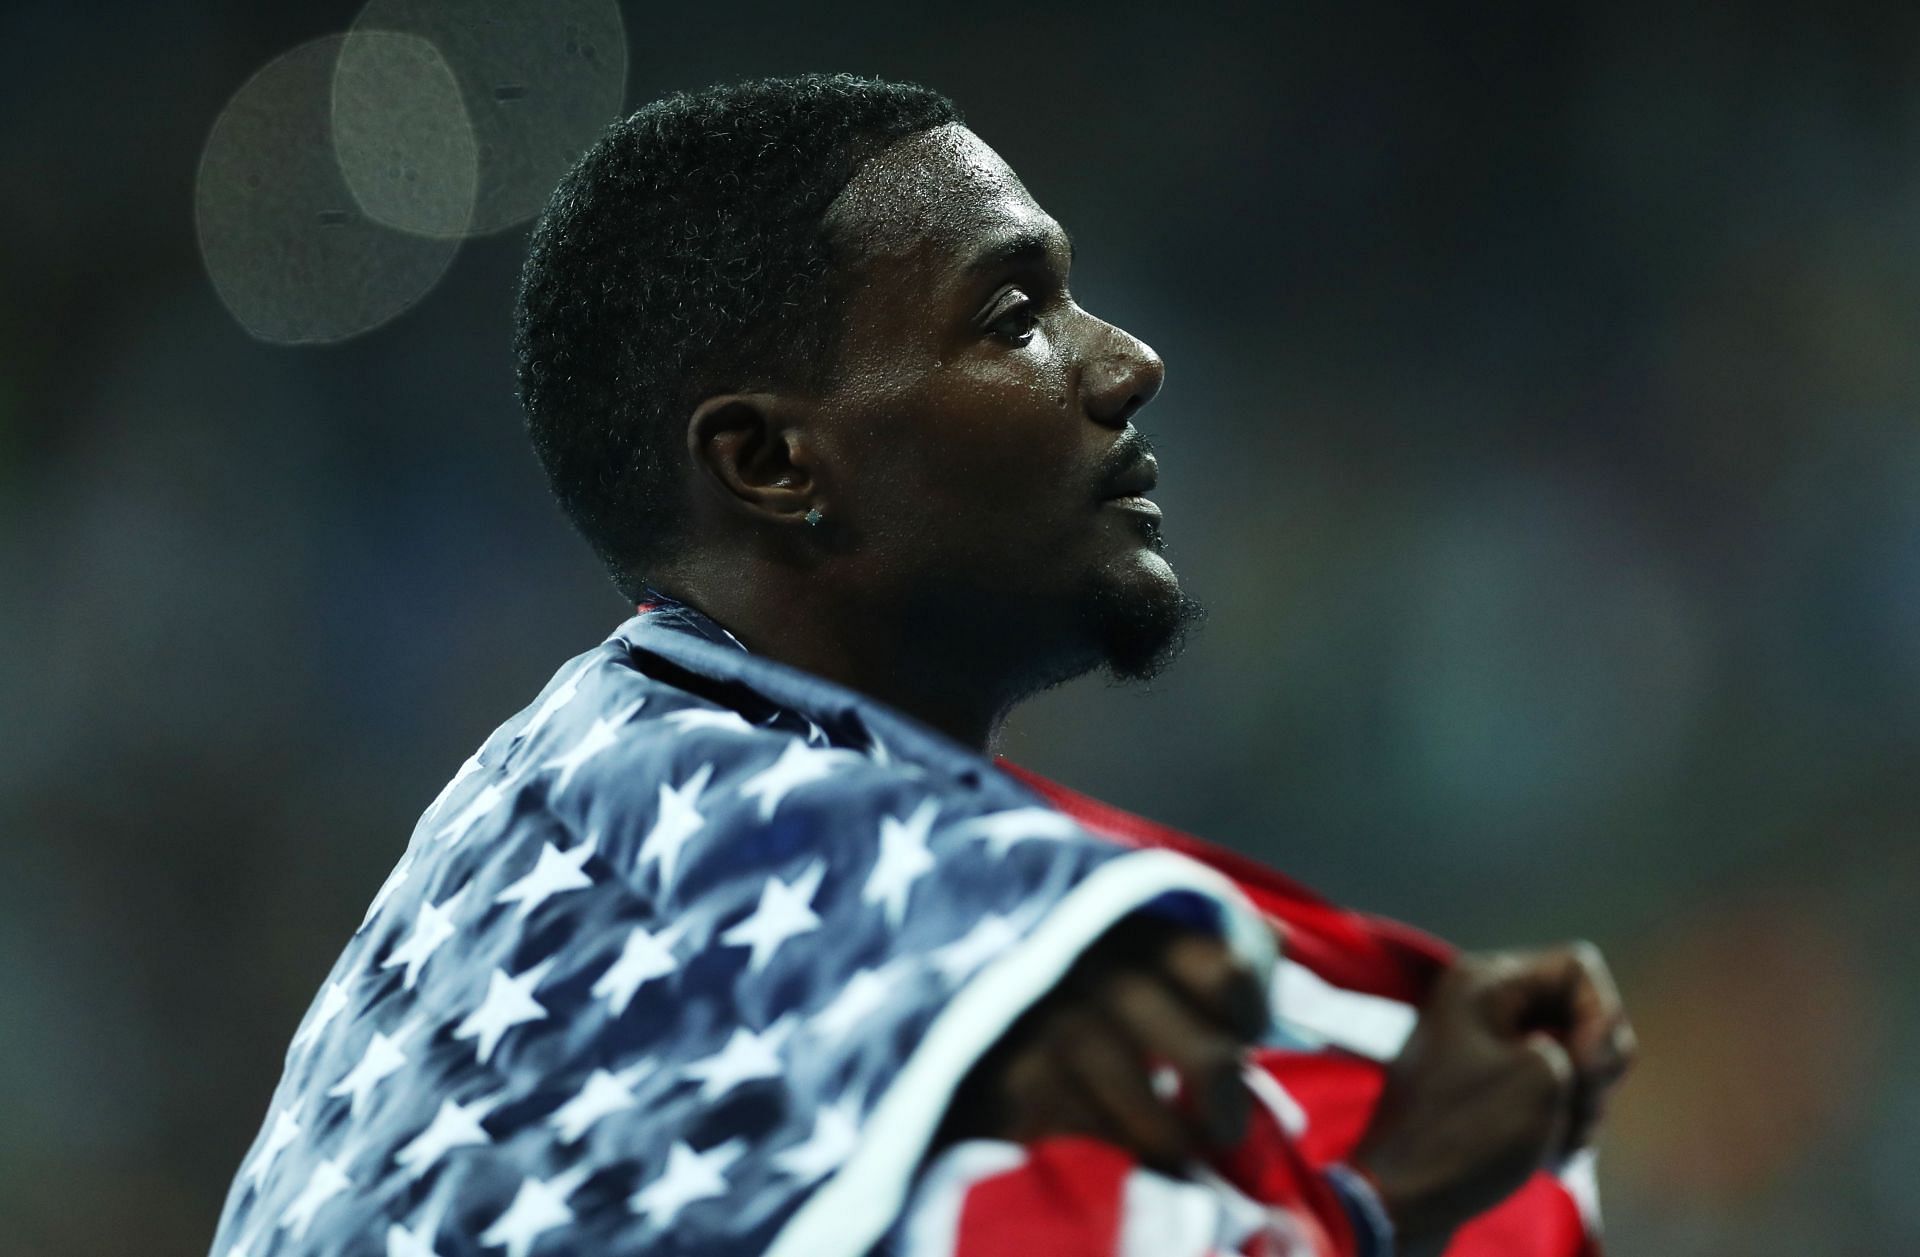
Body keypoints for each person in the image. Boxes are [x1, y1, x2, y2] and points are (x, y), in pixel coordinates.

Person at [211, 72, 1633, 1257]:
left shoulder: (589, 877)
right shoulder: (726, 865)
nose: (1127, 361)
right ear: (770, 462)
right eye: (1013, 317)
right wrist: (1384, 1194)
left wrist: (1382, 1180)